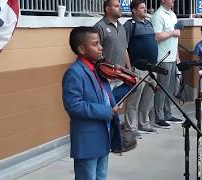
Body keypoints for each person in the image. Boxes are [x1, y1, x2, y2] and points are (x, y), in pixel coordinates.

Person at [62, 26, 122, 180]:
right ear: (81, 49)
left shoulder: (98, 70)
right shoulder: (74, 72)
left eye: (100, 43)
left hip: (103, 136)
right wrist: (106, 111)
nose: (101, 47)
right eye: (95, 44)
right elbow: (73, 105)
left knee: (101, 176)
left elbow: (106, 96)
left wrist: (124, 80)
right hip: (87, 141)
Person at [123, 0, 158, 136]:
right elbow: (124, 47)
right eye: (142, 8)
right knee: (133, 100)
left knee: (147, 98)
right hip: (137, 68)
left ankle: (144, 124)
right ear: (134, 11)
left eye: (145, 7)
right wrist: (128, 68)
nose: (145, 9)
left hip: (151, 68)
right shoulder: (129, 25)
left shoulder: (149, 23)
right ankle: (131, 128)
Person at [151, 0, 183, 128]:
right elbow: (156, 36)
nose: (173, 0)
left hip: (172, 57)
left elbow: (175, 38)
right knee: (161, 89)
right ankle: (159, 118)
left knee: (169, 89)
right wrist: (172, 33)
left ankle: (168, 114)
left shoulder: (172, 14)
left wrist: (177, 55)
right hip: (162, 58)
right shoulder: (158, 15)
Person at [94, 0, 131, 91]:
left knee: (118, 104)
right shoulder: (99, 27)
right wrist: (105, 72)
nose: (120, 8)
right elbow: (95, 53)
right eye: (116, 6)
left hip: (121, 75)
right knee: (106, 104)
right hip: (106, 77)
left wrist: (129, 70)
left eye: (119, 6)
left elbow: (124, 49)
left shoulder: (122, 27)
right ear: (108, 9)